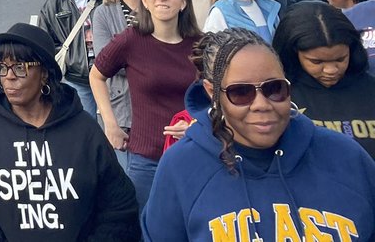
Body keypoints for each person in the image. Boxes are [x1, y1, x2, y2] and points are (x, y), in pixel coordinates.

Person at [142, 29, 375, 242]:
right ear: (212, 93)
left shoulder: (346, 157)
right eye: (241, 92)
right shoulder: (181, 167)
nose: (261, 105)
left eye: (274, 89)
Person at [0, 22, 139, 241]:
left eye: (21, 67)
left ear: (45, 74)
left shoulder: (84, 131)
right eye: (3, 66)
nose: (9, 76)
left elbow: (119, 207)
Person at [90, 0, 200, 209]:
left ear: (183, 2)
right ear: (145, 1)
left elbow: (213, 97)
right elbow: (96, 76)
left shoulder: (200, 45)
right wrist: (111, 124)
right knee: (145, 227)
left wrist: (195, 124)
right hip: (146, 159)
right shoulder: (131, 40)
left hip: (194, 153)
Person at [272, 1, 375, 160]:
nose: (331, 70)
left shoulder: (370, 90)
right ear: (293, 53)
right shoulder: (275, 95)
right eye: (317, 62)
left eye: (340, 59)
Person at [90, 0, 153, 168]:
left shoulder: (160, 8)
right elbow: (105, 61)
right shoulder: (103, 13)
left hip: (158, 109)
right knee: (129, 178)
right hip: (122, 111)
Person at [39, 0, 106, 114]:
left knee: (118, 127)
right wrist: (66, 57)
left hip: (111, 72)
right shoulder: (55, 1)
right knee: (86, 127)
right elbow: (44, 38)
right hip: (76, 75)